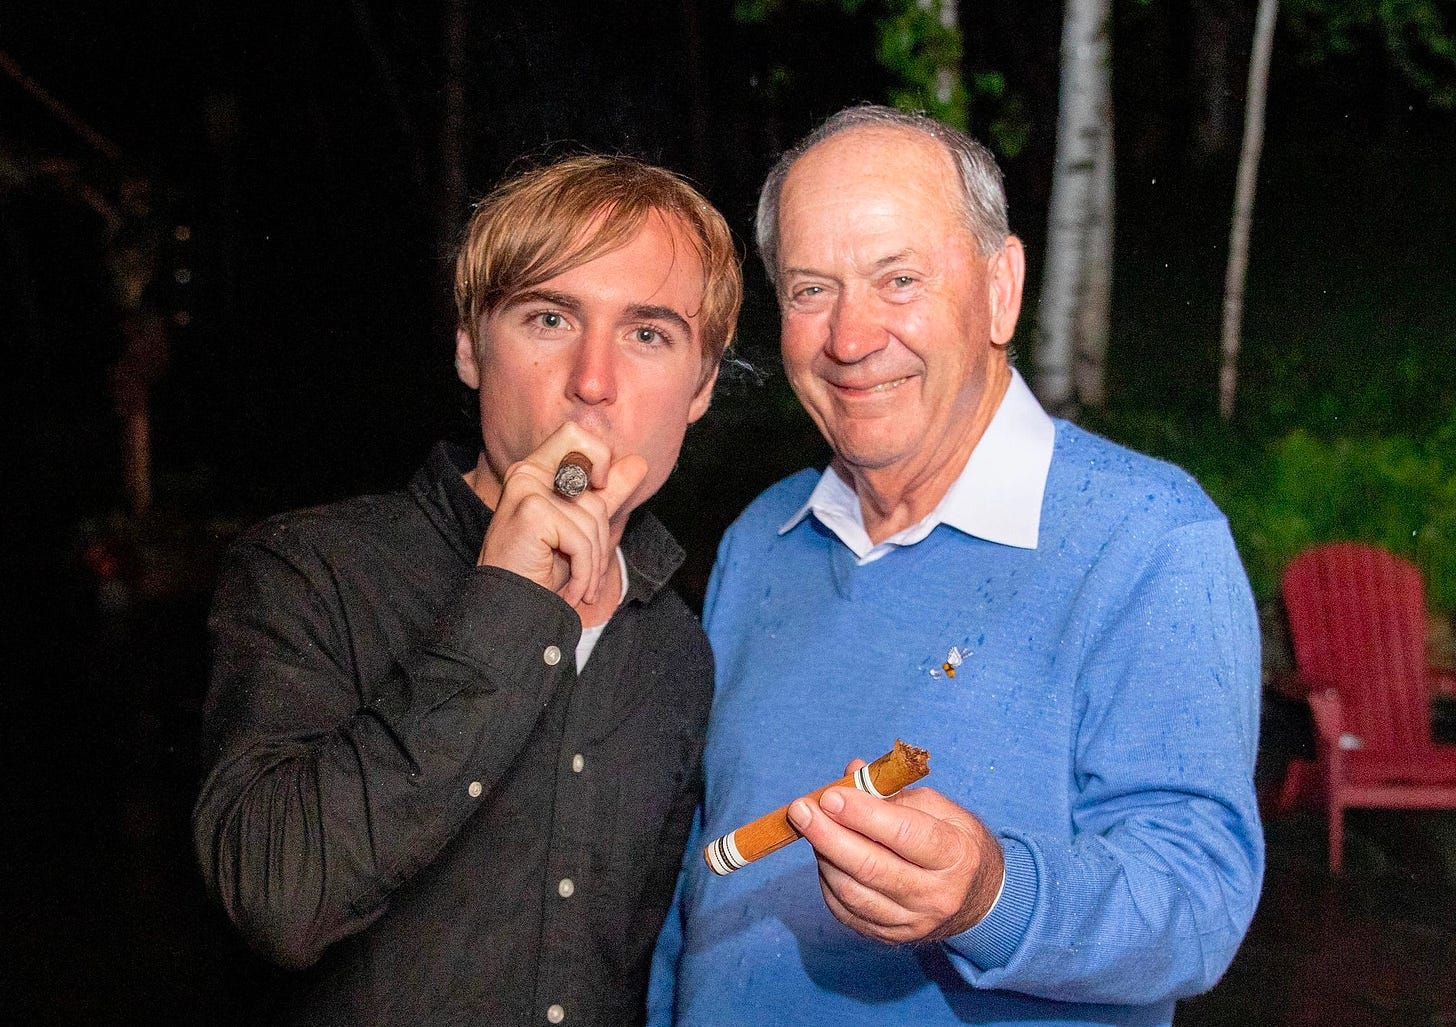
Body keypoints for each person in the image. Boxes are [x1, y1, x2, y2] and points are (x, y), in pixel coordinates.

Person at [648, 105, 1263, 1026]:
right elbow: (698, 872)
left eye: (899, 279)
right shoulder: (760, 539)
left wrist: (991, 895)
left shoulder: (1147, 538)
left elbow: (1199, 901)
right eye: (812, 290)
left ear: (1001, 290)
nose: (850, 338)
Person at [193, 154, 742, 1026]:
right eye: (550, 318)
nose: (593, 381)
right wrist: (508, 601)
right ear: (469, 347)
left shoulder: (677, 648)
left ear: (702, 386)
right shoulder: (311, 570)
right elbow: (279, 900)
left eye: (648, 334)